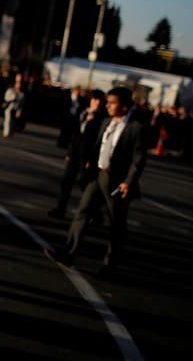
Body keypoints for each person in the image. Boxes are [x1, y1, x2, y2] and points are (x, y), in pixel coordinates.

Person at [45, 86, 146, 278]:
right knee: (82, 212)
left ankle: (110, 266)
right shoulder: (106, 122)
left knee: (116, 224)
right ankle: (69, 253)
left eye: (112, 102)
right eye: (107, 101)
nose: (107, 105)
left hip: (117, 182)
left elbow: (138, 159)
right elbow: (98, 145)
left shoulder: (135, 128)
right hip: (98, 176)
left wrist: (128, 182)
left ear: (124, 106)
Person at [48, 89, 107, 219]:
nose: (96, 102)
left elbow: (98, 141)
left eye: (99, 100)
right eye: (95, 99)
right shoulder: (83, 112)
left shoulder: (101, 119)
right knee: (66, 181)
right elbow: (76, 134)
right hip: (75, 152)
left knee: (84, 184)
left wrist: (91, 159)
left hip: (87, 156)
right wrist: (70, 152)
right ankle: (60, 208)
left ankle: (96, 212)